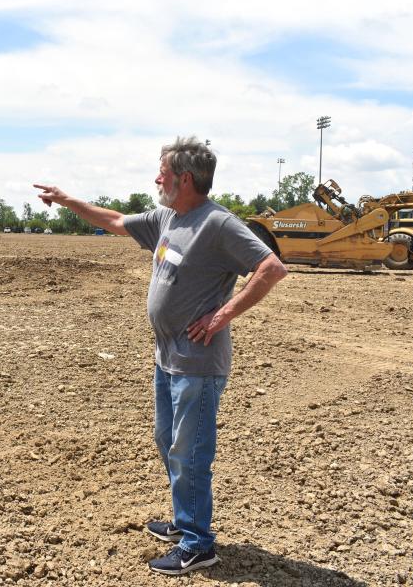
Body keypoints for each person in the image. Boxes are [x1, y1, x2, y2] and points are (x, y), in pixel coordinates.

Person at [34, 136, 287, 576]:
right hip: (166, 357)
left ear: (184, 178)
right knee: (168, 443)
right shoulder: (168, 217)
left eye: (163, 173)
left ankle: (197, 544)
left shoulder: (217, 224)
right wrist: (68, 199)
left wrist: (222, 315)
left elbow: (271, 267)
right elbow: (113, 220)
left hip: (198, 363)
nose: (157, 178)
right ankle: (182, 521)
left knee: (189, 452)